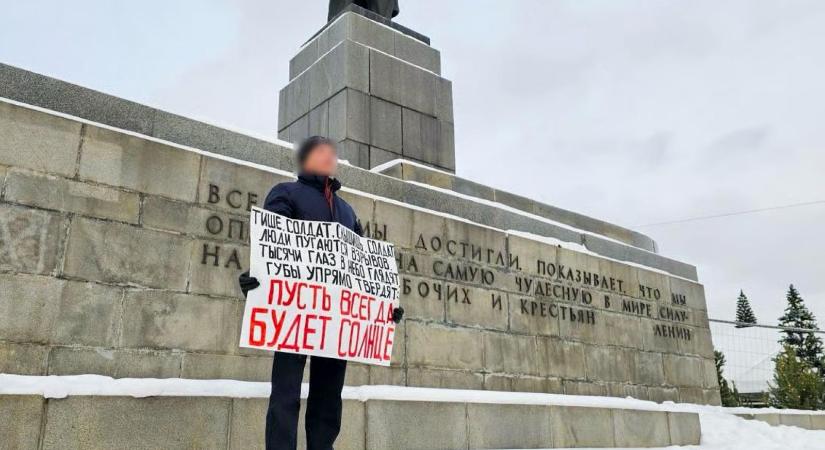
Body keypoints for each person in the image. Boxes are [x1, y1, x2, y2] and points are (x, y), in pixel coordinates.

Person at [238, 136, 404, 450]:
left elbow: (362, 271)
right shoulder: (285, 194)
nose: (330, 157)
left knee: (329, 401)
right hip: (294, 313)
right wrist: (256, 279)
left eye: (332, 153)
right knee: (285, 396)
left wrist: (384, 307)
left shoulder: (348, 211)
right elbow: (273, 247)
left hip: (336, 319)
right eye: (321, 152)